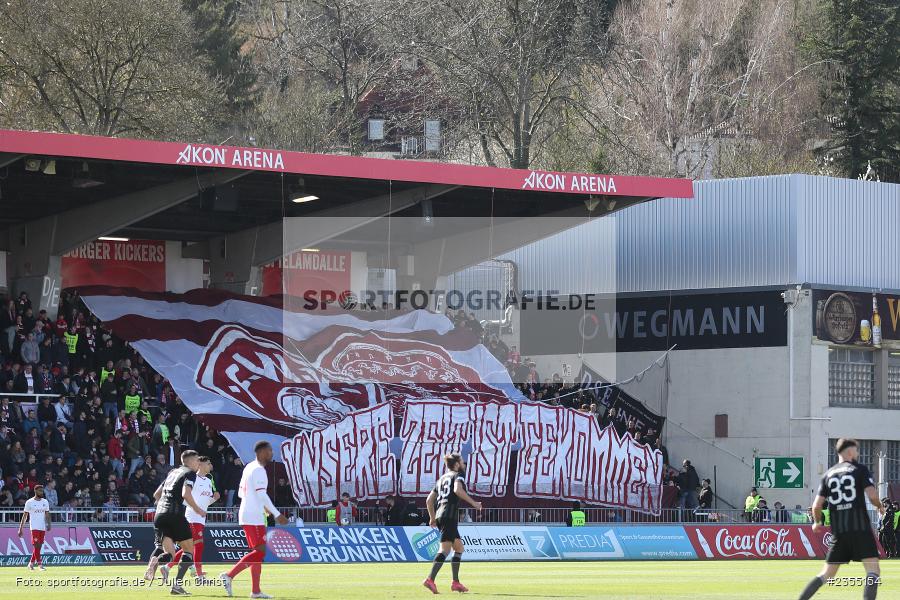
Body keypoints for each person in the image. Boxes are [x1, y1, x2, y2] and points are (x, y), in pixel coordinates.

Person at [797, 438, 885, 600]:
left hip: (839, 532)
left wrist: (817, 522)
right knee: (873, 570)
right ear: (851, 451)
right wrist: (879, 506)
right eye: (857, 451)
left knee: (826, 574)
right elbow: (872, 496)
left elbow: (816, 506)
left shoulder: (828, 474)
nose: (857, 454)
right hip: (861, 529)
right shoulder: (859, 469)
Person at [220, 440, 288, 599]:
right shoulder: (258, 470)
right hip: (253, 516)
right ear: (262, 452)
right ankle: (229, 575)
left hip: (250, 513)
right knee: (259, 552)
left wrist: (263, 507)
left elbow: (240, 494)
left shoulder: (248, 467)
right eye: (270, 451)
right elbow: (261, 494)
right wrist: (277, 513)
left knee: (258, 553)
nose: (272, 454)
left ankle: (255, 591)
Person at [144, 450, 204, 596]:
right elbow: (186, 494)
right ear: (189, 461)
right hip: (175, 515)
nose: (198, 464)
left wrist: (164, 506)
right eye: (197, 461)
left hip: (160, 515)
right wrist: (198, 509)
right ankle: (176, 585)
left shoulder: (172, 473)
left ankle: (156, 561)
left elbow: (156, 495)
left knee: (170, 554)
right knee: (189, 550)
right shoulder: (189, 473)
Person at [422, 453, 483, 595]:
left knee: (459, 548)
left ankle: (455, 582)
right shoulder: (458, 475)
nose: (464, 464)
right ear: (456, 464)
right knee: (444, 550)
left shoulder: (442, 479)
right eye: (462, 461)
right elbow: (457, 490)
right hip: (449, 517)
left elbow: (429, 500)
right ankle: (430, 579)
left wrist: (432, 518)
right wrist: (474, 503)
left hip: (442, 516)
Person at [162, 456, 219, 583]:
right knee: (199, 545)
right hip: (192, 516)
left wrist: (213, 499)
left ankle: (167, 567)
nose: (210, 465)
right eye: (208, 463)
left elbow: (205, 501)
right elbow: (185, 497)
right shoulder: (193, 478)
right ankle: (199, 576)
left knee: (188, 548)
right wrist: (196, 509)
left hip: (200, 518)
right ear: (201, 464)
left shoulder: (208, 481)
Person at [18, 484, 51, 570]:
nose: (42, 492)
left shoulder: (45, 502)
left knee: (39, 546)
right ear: (35, 491)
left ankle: (31, 564)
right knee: (36, 545)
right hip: (34, 527)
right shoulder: (29, 502)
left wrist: (49, 524)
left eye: (42, 491)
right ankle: (40, 565)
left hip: (42, 527)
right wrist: (20, 528)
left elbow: (47, 514)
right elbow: (24, 516)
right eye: (40, 491)